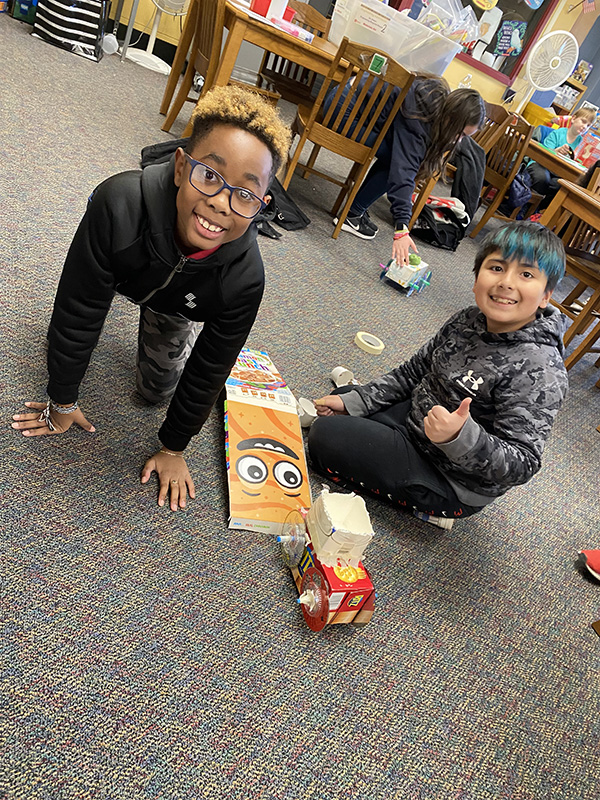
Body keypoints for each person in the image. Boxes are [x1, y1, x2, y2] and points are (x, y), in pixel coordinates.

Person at [11, 85, 291, 512]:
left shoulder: (244, 279)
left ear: (261, 205)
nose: (220, 202)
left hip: (181, 300)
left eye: (245, 194)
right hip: (127, 265)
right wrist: (63, 400)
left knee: (158, 390)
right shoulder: (118, 204)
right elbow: (78, 309)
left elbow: (211, 368)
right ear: (180, 167)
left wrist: (174, 448)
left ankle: (161, 316)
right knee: (64, 342)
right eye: (209, 175)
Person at [308, 221, 568, 529]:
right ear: (476, 278)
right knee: (343, 401)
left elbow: (523, 462)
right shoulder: (467, 319)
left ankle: (434, 509)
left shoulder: (540, 369)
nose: (506, 283)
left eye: (526, 274)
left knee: (325, 437)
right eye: (496, 268)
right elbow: (415, 370)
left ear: (545, 296)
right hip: (420, 420)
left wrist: (460, 438)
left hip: (450, 476)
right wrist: (360, 400)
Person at [330, 75, 485, 265]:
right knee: (396, 162)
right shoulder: (421, 115)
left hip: (352, 102)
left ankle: (355, 209)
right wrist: (402, 228)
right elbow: (404, 172)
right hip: (343, 111)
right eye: (460, 134)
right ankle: (352, 214)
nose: (457, 141)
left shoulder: (437, 99)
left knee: (396, 156)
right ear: (452, 118)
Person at [526, 107, 596, 210]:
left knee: (561, 186)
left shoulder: (582, 143)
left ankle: (539, 209)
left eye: (588, 125)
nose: (584, 126)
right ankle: (527, 207)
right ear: (573, 119)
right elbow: (543, 152)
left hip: (559, 172)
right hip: (541, 164)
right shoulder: (558, 133)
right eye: (583, 121)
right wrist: (556, 151)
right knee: (542, 178)